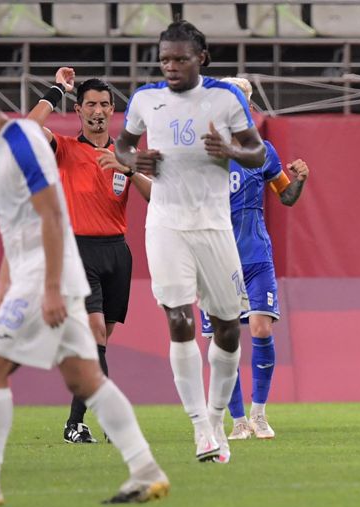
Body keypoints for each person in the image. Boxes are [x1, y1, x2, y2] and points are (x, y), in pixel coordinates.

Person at [0, 70, 168, 507]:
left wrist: (53, 288)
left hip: (45, 276)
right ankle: (146, 472)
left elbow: (53, 218)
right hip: (40, 274)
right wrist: (4, 281)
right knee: (86, 377)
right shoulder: (3, 146)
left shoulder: (21, 143)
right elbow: (17, 224)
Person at [114, 21, 266, 464]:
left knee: (226, 328)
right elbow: (123, 147)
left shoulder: (225, 97)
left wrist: (231, 151)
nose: (172, 66)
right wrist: (134, 159)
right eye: (165, 59)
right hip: (165, 223)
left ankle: (217, 419)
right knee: (179, 319)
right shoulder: (146, 99)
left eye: (180, 59)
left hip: (215, 226)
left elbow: (256, 151)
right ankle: (200, 428)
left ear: (201, 58)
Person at [26, 67, 152, 445]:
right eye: (90, 104)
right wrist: (55, 91)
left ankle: (74, 423)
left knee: (98, 343)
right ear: (79, 109)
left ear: (113, 110)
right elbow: (29, 130)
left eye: (104, 104)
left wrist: (128, 170)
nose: (97, 110)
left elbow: (157, 197)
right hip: (79, 250)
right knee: (96, 333)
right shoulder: (64, 147)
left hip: (118, 252)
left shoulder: (126, 155)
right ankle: (112, 420)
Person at [198, 77, 309, 441]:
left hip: (256, 255)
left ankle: (260, 414)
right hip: (217, 259)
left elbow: (286, 197)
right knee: (224, 341)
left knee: (261, 328)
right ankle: (238, 420)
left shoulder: (263, 151)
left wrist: (300, 181)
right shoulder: (205, 153)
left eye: (243, 102)